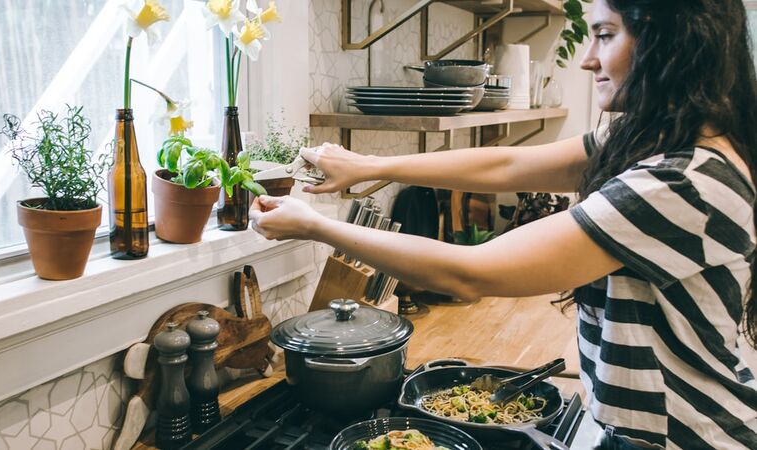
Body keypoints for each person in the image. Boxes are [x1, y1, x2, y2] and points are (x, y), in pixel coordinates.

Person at [250, 0, 757, 448]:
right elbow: (507, 166)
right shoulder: (655, 141)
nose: (588, 59)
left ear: (671, 41)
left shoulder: (680, 180)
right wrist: (371, 166)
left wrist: (316, 226)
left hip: (685, 436)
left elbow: (471, 271)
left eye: (605, 35)